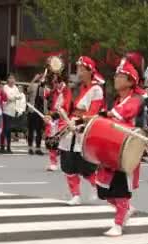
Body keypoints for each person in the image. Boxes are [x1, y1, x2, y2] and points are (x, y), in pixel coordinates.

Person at [97, 58, 145, 237]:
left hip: (126, 150)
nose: (115, 78)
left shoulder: (135, 99)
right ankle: (126, 209)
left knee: (120, 188)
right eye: (116, 75)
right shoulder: (117, 99)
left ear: (130, 81)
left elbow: (122, 114)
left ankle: (118, 224)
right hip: (112, 147)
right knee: (104, 189)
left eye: (120, 75)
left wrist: (104, 115)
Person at [58, 56, 103, 206]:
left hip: (84, 129)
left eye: (81, 69)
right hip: (69, 128)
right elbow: (66, 107)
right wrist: (53, 114)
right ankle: (75, 195)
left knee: (86, 166)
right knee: (68, 164)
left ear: (90, 71)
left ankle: (96, 186)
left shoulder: (97, 90)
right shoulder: (75, 88)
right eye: (78, 68)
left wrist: (79, 121)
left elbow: (94, 112)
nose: (79, 71)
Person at [44, 72, 71, 171]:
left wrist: (54, 115)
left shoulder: (66, 91)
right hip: (53, 118)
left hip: (62, 118)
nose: (53, 83)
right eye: (53, 81)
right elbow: (46, 96)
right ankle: (53, 162)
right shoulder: (54, 91)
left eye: (55, 81)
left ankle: (67, 161)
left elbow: (66, 107)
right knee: (51, 139)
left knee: (64, 141)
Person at [2, 74, 24, 154]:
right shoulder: (5, 87)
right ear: (7, 79)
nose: (12, 80)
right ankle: (2, 146)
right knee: (5, 129)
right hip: (5, 110)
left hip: (12, 111)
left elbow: (19, 97)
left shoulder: (15, 88)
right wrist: (14, 97)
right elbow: (7, 97)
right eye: (10, 78)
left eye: (13, 78)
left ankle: (8, 147)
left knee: (9, 130)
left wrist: (18, 109)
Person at [26, 72, 46, 155]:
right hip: (32, 110)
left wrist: (43, 84)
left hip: (41, 111)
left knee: (39, 130)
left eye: (42, 77)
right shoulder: (33, 85)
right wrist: (34, 79)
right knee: (31, 129)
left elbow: (45, 95)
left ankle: (38, 148)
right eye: (40, 77)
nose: (40, 78)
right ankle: (30, 147)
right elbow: (27, 90)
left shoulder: (44, 87)